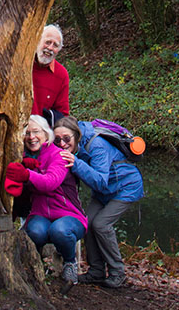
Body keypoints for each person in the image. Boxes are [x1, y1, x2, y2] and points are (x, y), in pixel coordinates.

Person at [54, 116, 144, 288]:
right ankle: (96, 271)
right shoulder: (77, 148)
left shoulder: (97, 145)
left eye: (66, 139)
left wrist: (76, 164)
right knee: (86, 223)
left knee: (101, 225)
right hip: (104, 192)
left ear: (76, 135)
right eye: (57, 140)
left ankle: (118, 273)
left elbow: (101, 180)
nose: (62, 144)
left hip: (125, 187)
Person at [5, 115, 87, 284]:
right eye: (27, 133)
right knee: (34, 231)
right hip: (40, 213)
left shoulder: (59, 155)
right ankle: (36, 266)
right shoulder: (22, 156)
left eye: (36, 132)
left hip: (69, 215)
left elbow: (50, 182)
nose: (31, 137)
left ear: (46, 134)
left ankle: (70, 263)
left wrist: (27, 174)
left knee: (60, 230)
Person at [31, 24, 70, 126]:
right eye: (47, 42)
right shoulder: (21, 62)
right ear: (38, 40)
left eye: (55, 45)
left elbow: (62, 114)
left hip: (40, 134)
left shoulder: (61, 74)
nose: (50, 48)